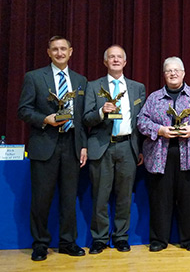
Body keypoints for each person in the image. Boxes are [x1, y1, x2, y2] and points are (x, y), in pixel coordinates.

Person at [17, 36, 88, 261]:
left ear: (71, 52)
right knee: (41, 199)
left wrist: (84, 146)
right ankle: (40, 244)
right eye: (55, 49)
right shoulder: (34, 77)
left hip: (71, 145)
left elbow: (83, 117)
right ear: (48, 52)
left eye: (63, 49)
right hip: (44, 143)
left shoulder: (80, 81)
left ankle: (68, 242)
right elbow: (23, 110)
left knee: (69, 197)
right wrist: (45, 119)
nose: (59, 53)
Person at [137, 57, 190, 252]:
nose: (173, 73)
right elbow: (141, 122)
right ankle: (158, 239)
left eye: (176, 70)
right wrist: (159, 130)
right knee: (160, 200)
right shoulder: (154, 98)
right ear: (164, 75)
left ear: (184, 73)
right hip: (160, 155)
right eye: (169, 71)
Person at [83, 45, 146, 254]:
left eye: (120, 57)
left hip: (128, 146)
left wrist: (141, 149)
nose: (116, 60)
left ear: (125, 62)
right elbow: (86, 118)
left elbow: (142, 122)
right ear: (105, 62)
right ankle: (99, 239)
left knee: (124, 196)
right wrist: (101, 111)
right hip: (102, 147)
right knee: (100, 196)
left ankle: (121, 237)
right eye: (112, 57)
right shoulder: (93, 86)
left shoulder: (137, 88)